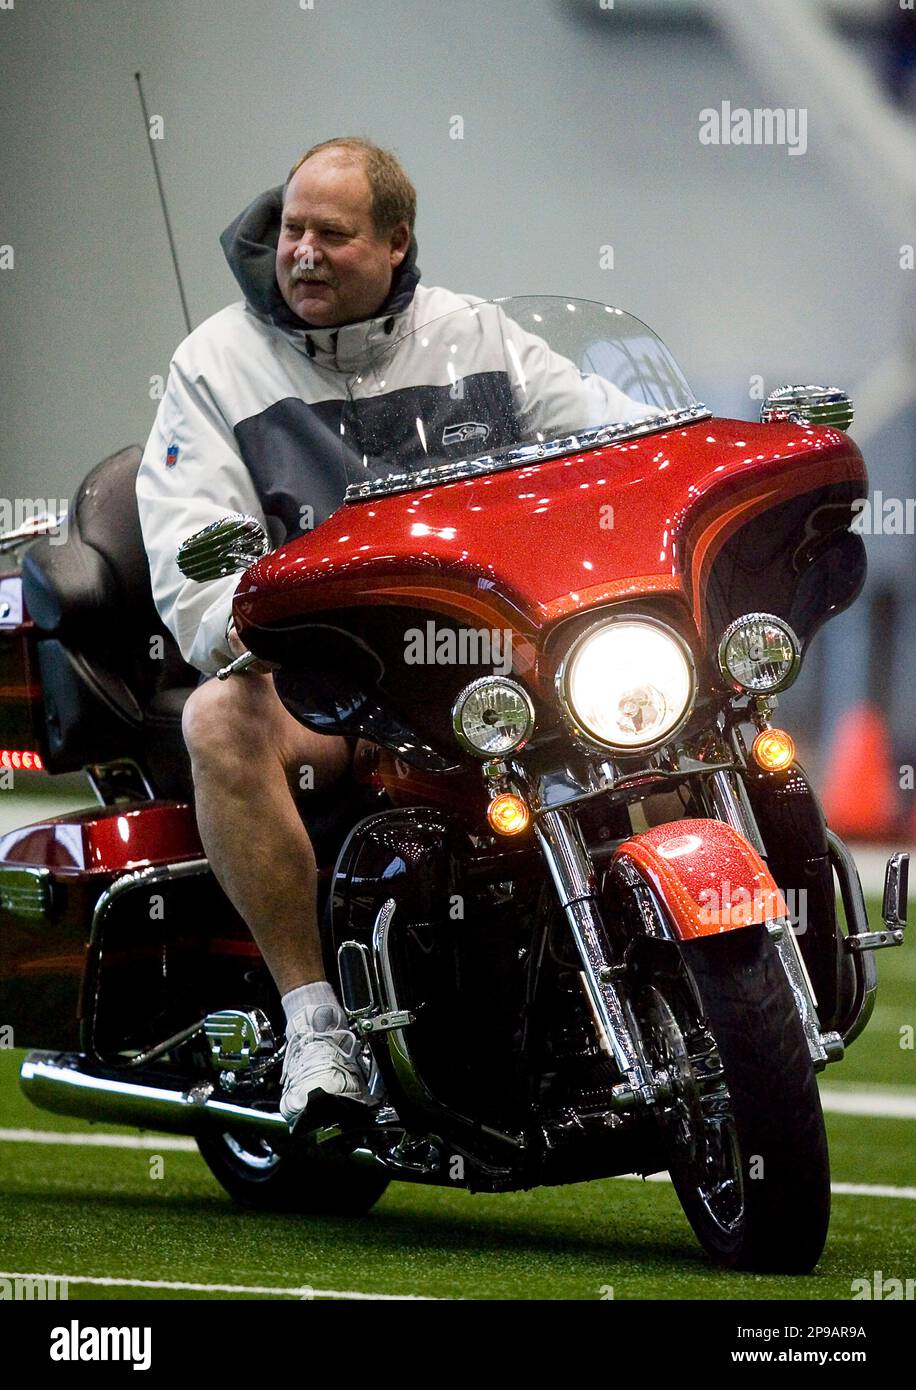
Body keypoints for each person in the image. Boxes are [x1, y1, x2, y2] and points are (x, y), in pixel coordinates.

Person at [137, 136, 651, 1131]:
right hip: (322, 682)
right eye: (291, 230)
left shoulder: (480, 339)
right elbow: (194, 554)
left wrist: (697, 445)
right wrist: (252, 632)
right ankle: (313, 1020)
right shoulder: (216, 366)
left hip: (481, 662)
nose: (303, 253)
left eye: (332, 233)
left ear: (394, 241)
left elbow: (604, 431)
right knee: (218, 717)